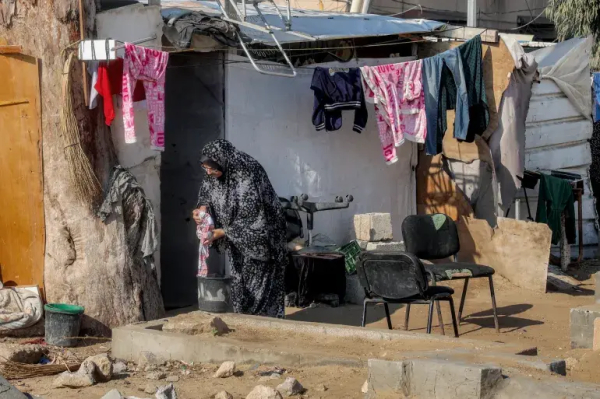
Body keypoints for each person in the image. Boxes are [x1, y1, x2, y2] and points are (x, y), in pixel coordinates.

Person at [192, 139, 287, 318]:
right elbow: (206, 195)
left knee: (258, 284)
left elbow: (252, 216)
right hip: (237, 237)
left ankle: (265, 328)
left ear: (221, 160)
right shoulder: (214, 170)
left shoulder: (246, 170)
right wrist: (201, 212)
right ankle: (246, 323)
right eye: (205, 168)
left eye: (212, 168)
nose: (209, 172)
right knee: (240, 282)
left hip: (262, 237)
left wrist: (221, 232)